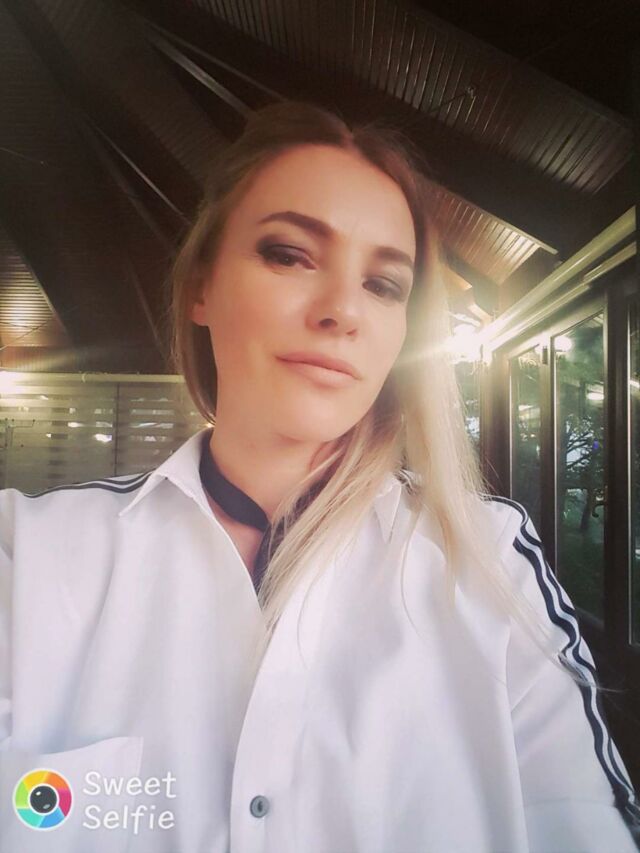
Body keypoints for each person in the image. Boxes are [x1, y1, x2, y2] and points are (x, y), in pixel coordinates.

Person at [0, 100, 639, 853]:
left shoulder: (490, 559)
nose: (342, 311)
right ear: (201, 285)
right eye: (288, 254)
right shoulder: (28, 554)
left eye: (384, 285)